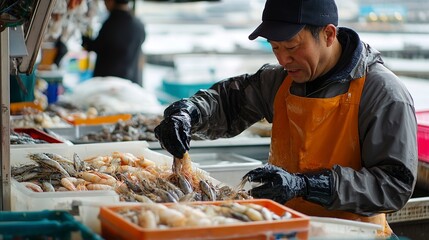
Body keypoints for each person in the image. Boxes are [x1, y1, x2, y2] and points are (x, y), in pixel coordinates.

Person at [154, 0, 418, 237]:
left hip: (354, 232)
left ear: (328, 34)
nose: (283, 58)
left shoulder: (383, 93)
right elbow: (227, 102)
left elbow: (393, 186)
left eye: (292, 46)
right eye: (275, 47)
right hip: (285, 227)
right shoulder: (280, 80)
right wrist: (189, 112)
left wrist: (307, 185)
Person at [81, 0, 146, 85]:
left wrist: (84, 35)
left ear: (111, 1)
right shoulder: (139, 25)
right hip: (132, 84)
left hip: (108, 84)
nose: (104, 4)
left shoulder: (111, 24)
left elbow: (95, 46)